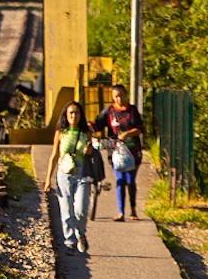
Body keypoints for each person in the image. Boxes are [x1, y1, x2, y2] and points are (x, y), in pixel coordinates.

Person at [94, 83, 145, 221]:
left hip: (132, 152)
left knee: (130, 180)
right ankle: (121, 212)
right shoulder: (109, 112)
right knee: (120, 180)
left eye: (121, 95)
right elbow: (96, 124)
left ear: (126, 95)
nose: (119, 99)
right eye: (116, 96)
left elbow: (139, 129)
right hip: (115, 152)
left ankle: (133, 209)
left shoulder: (132, 112)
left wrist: (127, 134)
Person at [50, 101, 93, 251]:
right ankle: (70, 242)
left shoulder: (86, 132)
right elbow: (55, 155)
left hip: (82, 173)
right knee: (66, 210)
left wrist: (90, 150)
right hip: (64, 173)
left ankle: (81, 234)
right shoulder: (61, 132)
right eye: (71, 113)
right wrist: (48, 178)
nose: (74, 116)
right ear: (66, 115)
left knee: (81, 209)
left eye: (77, 113)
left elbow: (93, 152)